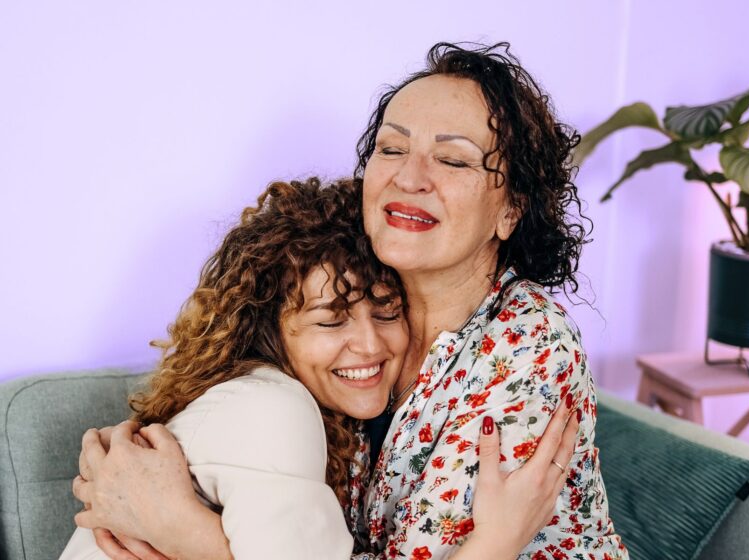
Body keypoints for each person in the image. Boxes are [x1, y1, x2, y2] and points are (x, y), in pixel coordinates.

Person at [75, 42, 628, 559]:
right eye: (392, 148)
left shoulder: (528, 344)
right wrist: (120, 459)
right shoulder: (349, 303)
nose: (410, 176)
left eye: (453, 160)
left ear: (511, 210)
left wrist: (183, 530)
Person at [66, 177, 579, 560]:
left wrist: (182, 529)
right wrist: (495, 541)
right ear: (270, 331)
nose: (370, 344)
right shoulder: (273, 409)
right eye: (330, 322)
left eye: (386, 312)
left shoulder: (330, 422)